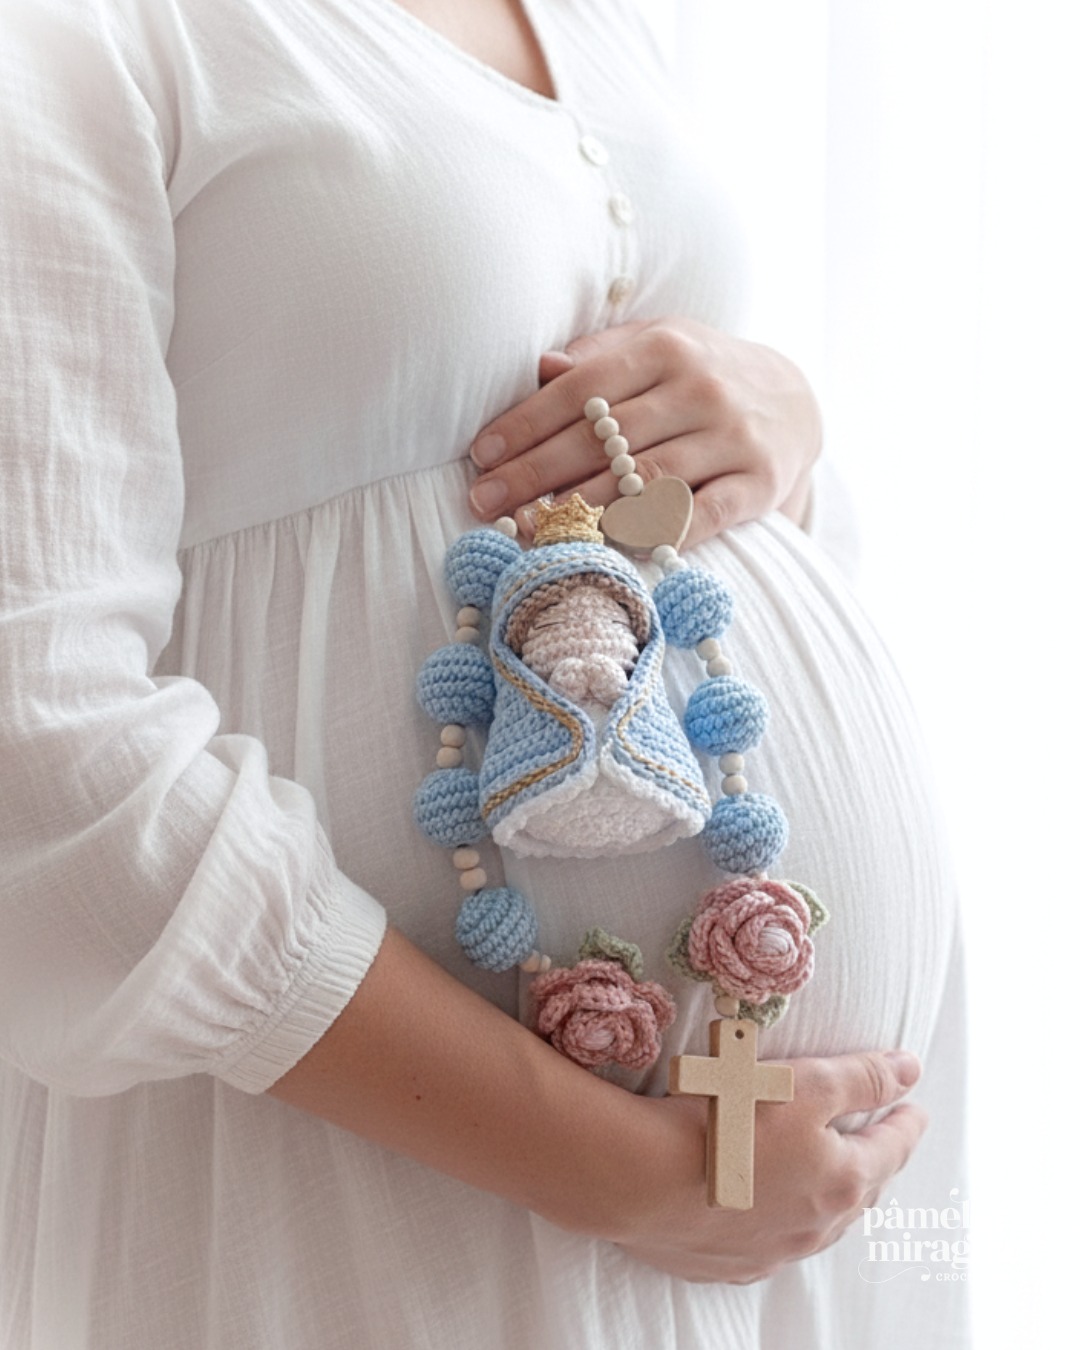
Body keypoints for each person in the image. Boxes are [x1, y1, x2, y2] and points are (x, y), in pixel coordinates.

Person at [0, 0, 969, 1346]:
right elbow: (39, 747)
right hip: (370, 1167)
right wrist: (628, 1173)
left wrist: (784, 431)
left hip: (769, 1225)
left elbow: (698, 536)